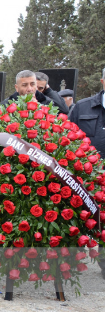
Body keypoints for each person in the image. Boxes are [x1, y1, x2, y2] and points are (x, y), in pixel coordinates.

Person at [68, 68, 105, 277]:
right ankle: (72, 260)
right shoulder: (82, 108)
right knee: (81, 219)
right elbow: (68, 137)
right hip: (87, 181)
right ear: (102, 81)